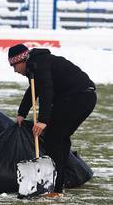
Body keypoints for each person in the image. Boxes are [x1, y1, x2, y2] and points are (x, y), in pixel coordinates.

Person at [8, 44, 97, 197]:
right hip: (84, 97)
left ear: (21, 60)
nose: (15, 71)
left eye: (14, 65)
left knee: (53, 138)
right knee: (59, 138)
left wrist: (43, 121)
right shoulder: (35, 65)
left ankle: (56, 187)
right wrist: (21, 113)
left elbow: (46, 92)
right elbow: (33, 90)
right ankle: (59, 185)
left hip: (78, 97)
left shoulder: (39, 65)